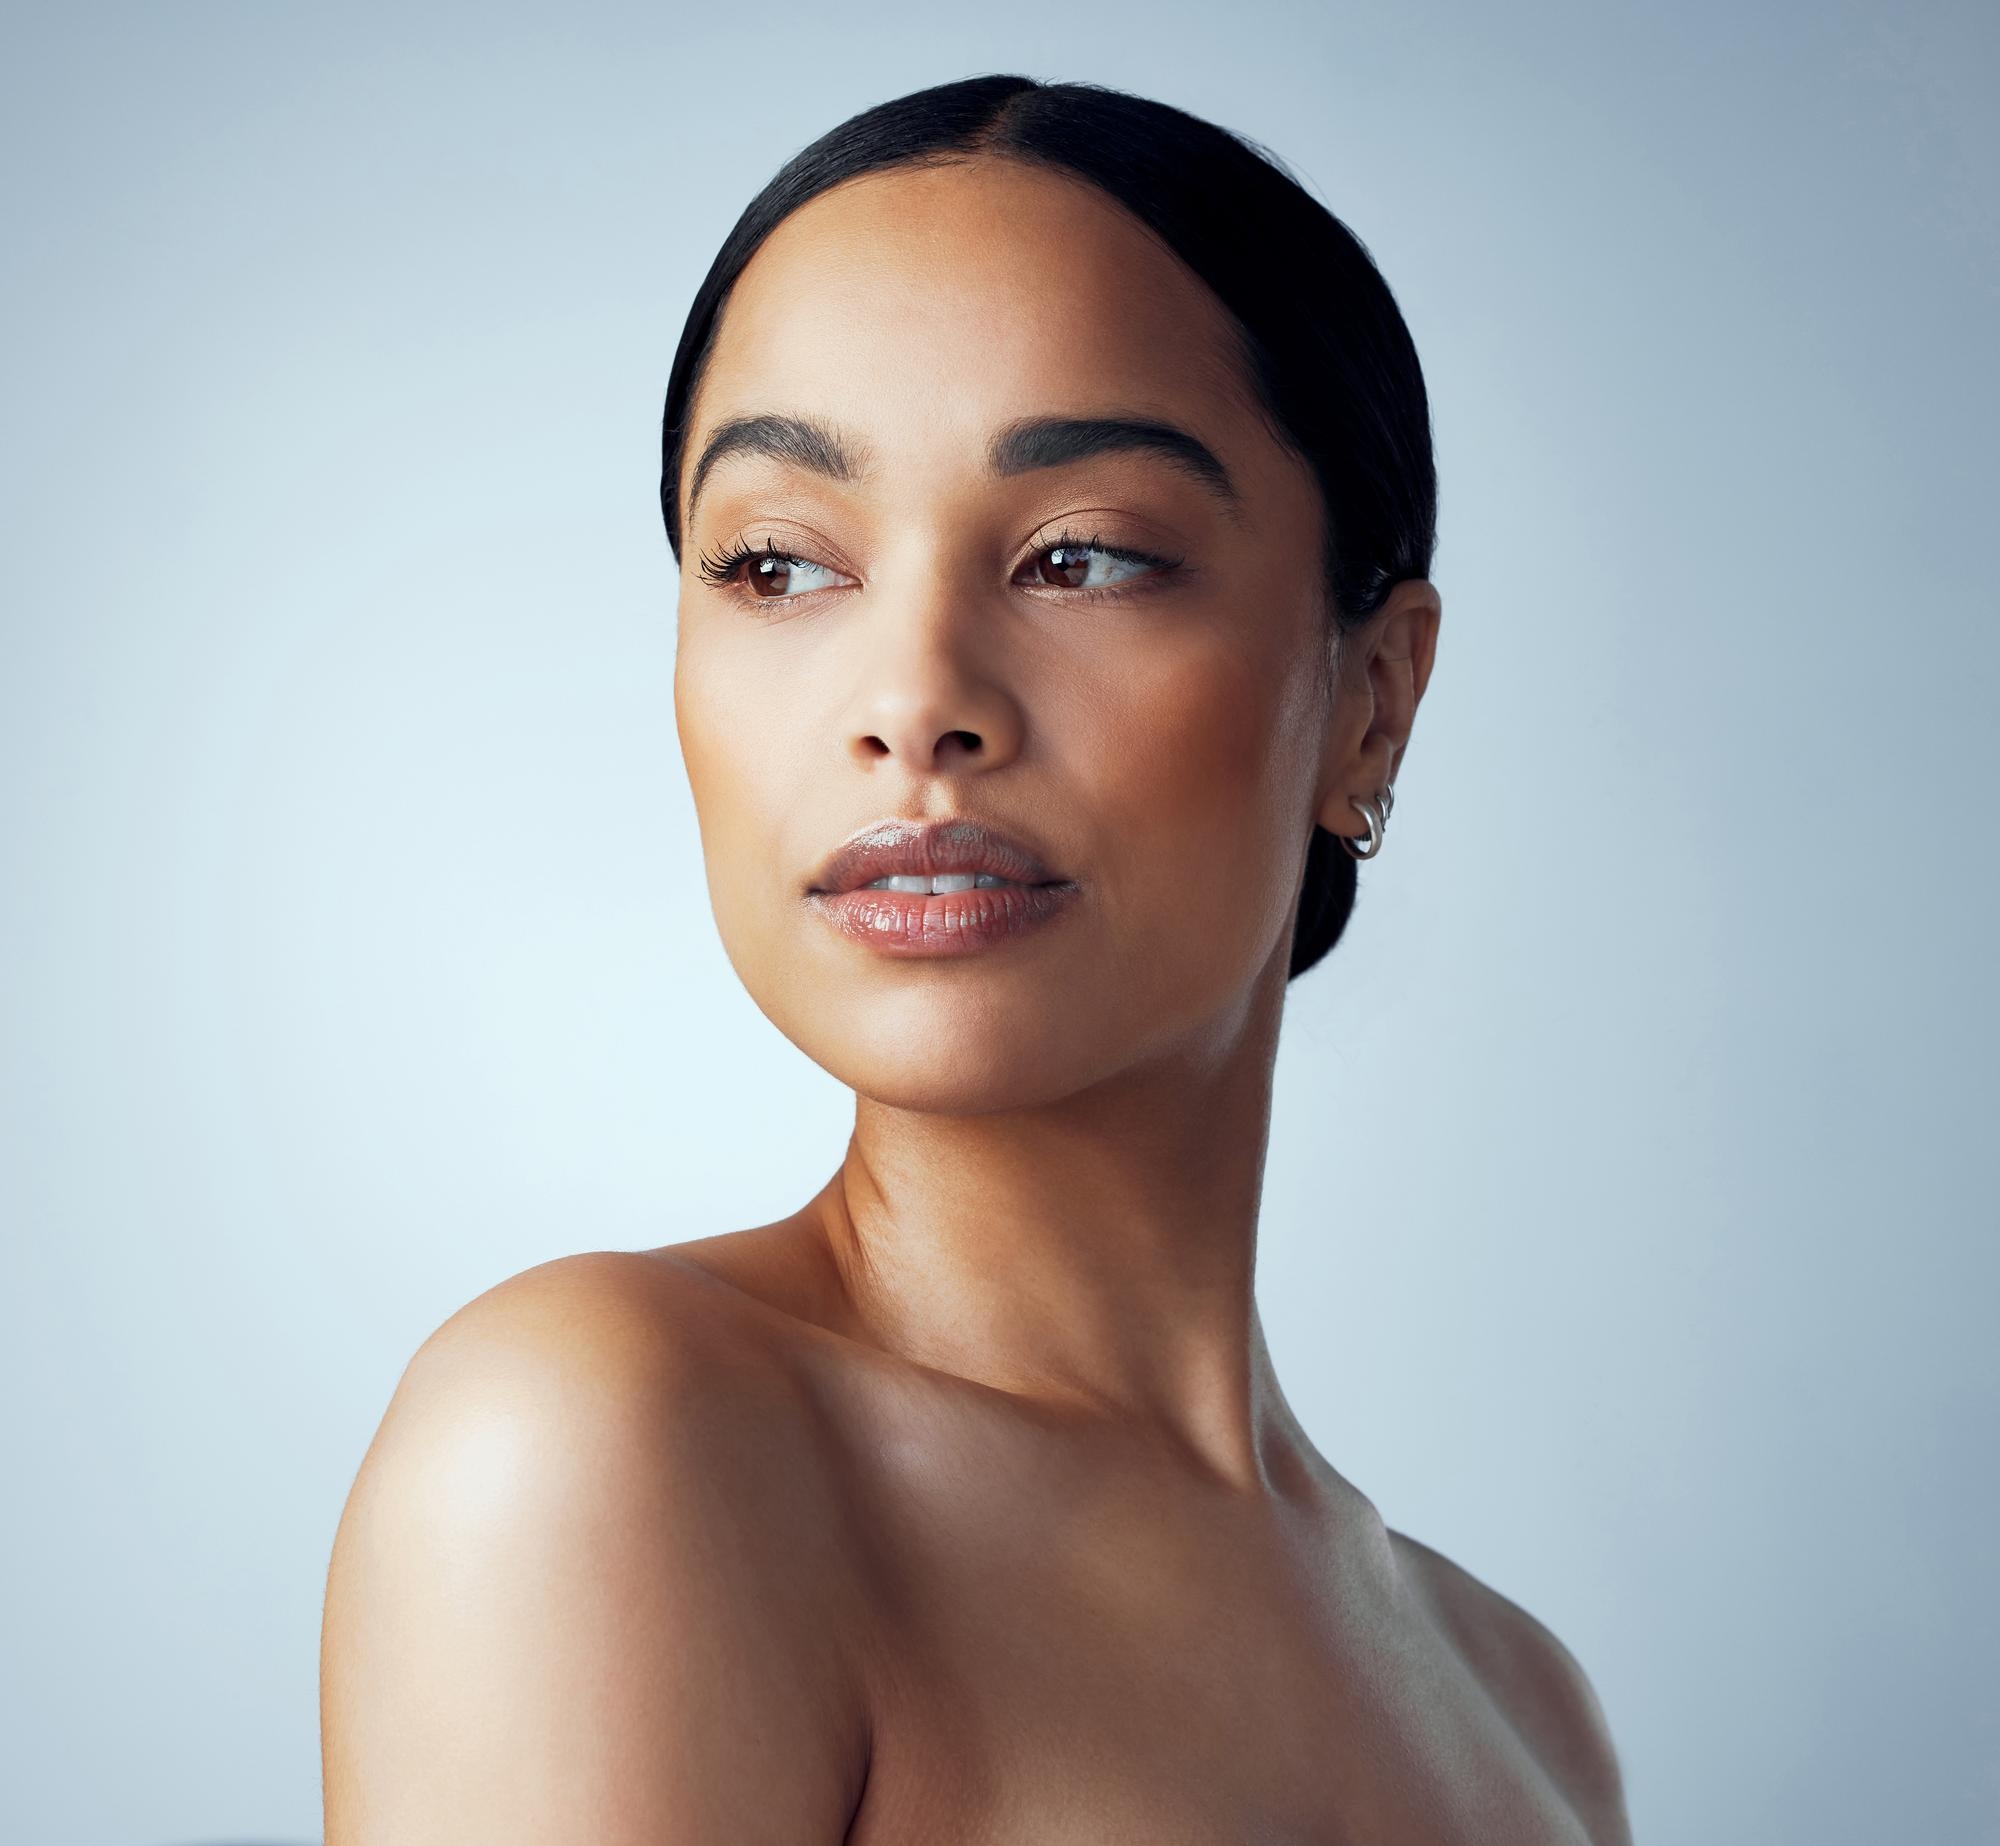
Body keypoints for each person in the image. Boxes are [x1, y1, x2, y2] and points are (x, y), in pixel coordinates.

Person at [320, 73, 1631, 1845]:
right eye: (779, 564)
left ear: (1372, 700)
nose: (914, 700)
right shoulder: (601, 1448)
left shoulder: (1528, 1711)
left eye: (1078, 556)